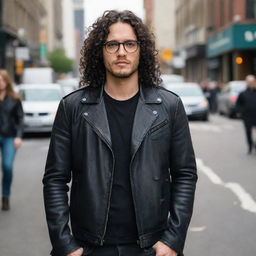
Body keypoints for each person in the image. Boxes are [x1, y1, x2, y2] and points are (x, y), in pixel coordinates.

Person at [43, 10, 197, 256]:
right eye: (112, 44)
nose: (121, 52)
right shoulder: (72, 107)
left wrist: (173, 240)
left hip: (151, 247)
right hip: (90, 247)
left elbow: (185, 175)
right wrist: (65, 245)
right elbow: (55, 180)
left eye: (130, 44)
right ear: (99, 51)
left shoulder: (169, 106)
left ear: (141, 50)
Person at [0, 69, 23, 211]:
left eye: (2, 80)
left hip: (9, 137)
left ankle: (5, 195)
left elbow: (20, 119)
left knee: (7, 166)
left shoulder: (14, 98)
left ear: (6, 82)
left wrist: (18, 136)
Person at [236, 75, 256, 154]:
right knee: (248, 131)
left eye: (252, 82)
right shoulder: (242, 93)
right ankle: (250, 145)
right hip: (247, 116)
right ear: (247, 83)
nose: (251, 83)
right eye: (249, 82)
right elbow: (238, 104)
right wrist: (239, 112)